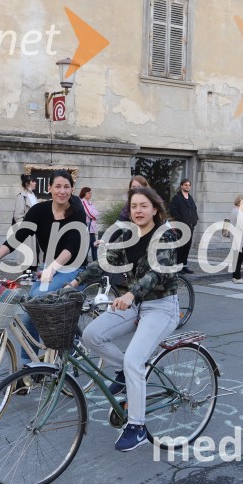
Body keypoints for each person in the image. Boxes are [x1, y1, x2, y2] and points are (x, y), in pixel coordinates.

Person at [68, 187, 179, 452]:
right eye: (134, 206)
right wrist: (75, 282)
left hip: (161, 306)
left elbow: (158, 273)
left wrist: (131, 294)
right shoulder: (127, 235)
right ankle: (126, 371)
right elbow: (106, 263)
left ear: (155, 209)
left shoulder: (166, 235)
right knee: (92, 335)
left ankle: (137, 426)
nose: (138, 211)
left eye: (144, 205)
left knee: (134, 359)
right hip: (134, 303)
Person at [0, 170, 87, 362]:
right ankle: (29, 365)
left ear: (72, 189)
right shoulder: (40, 211)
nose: (62, 191)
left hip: (72, 268)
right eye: (58, 186)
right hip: (49, 266)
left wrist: (52, 268)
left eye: (66, 187)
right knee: (31, 310)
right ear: (49, 189)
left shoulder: (77, 211)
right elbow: (18, 237)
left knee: (36, 299)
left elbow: (72, 247)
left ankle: (67, 346)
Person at [169, 178, 198, 274]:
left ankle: (184, 265)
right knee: (181, 246)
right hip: (181, 226)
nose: (187, 187)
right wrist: (180, 219)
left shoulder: (190, 198)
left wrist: (195, 219)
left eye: (189, 185)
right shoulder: (177, 198)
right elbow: (172, 210)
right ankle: (178, 267)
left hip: (190, 226)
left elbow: (194, 209)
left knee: (187, 247)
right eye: (186, 185)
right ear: (181, 186)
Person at [13, 174, 39, 273]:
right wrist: (24, 229)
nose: (35, 183)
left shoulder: (33, 195)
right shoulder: (21, 196)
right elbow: (18, 216)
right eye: (33, 181)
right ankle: (26, 277)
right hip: (27, 230)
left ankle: (32, 276)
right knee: (27, 255)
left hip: (36, 230)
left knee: (35, 254)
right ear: (27, 183)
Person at [80, 187, 99, 262]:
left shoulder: (89, 203)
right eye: (88, 193)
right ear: (84, 193)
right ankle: (84, 264)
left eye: (91, 193)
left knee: (93, 246)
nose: (90, 194)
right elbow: (90, 214)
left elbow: (97, 214)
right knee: (88, 247)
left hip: (91, 229)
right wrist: (94, 215)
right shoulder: (83, 202)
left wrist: (94, 215)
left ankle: (95, 264)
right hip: (87, 228)